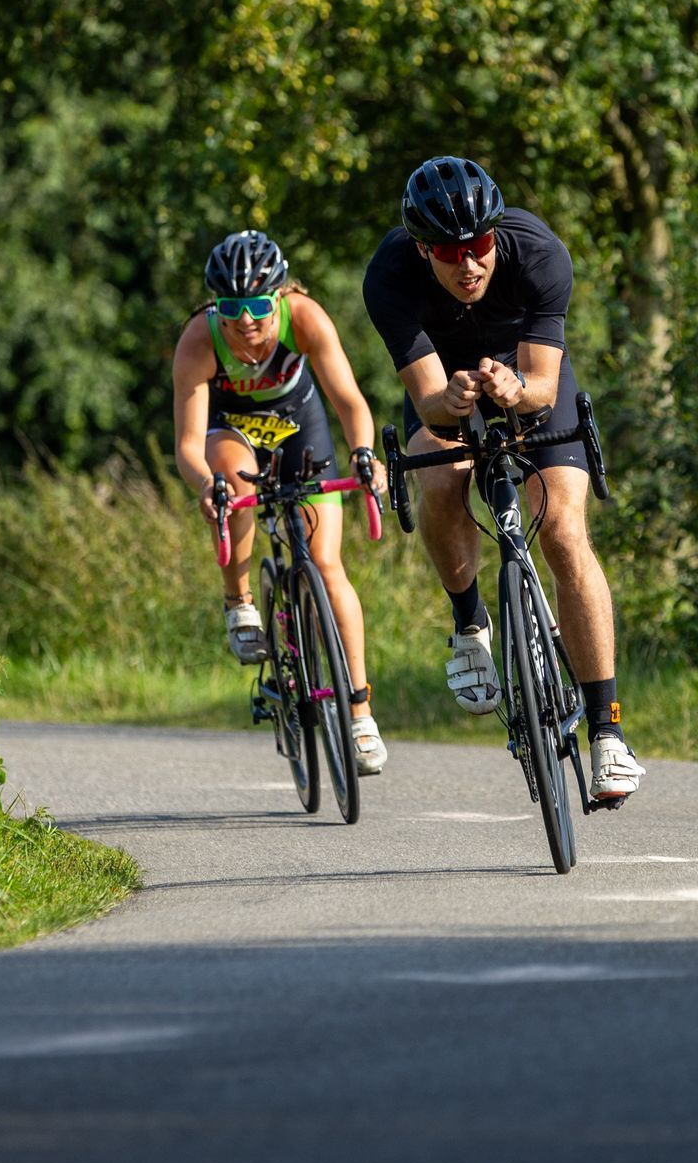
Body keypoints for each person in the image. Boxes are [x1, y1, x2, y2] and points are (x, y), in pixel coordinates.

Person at [361, 155, 644, 803]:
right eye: (450, 251)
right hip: (447, 381)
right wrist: (454, 395)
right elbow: (428, 400)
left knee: (565, 532)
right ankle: (470, 626)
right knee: (438, 478)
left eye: (481, 245)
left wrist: (515, 389)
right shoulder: (390, 275)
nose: (469, 264)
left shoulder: (538, 251)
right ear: (421, 248)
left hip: (525, 371)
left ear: (497, 234)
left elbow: (545, 386)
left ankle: (608, 734)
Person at [172, 229, 390, 775]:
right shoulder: (199, 340)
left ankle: (360, 714)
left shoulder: (305, 317)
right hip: (232, 430)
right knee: (234, 484)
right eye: (232, 307)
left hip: (298, 425)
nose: (246, 321)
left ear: (280, 297)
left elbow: (349, 402)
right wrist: (206, 486)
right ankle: (240, 600)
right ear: (214, 305)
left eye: (258, 308)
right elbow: (186, 445)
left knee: (326, 564)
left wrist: (364, 454)